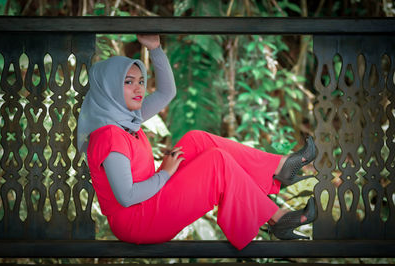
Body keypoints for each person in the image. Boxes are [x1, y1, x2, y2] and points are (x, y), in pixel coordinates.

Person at [77, 35, 317, 251]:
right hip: (137, 221)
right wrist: (166, 174)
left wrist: (156, 49)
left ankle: (280, 167)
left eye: (140, 81)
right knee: (217, 162)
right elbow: (127, 197)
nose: (139, 88)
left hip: (149, 204)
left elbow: (165, 93)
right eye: (128, 82)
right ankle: (277, 218)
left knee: (196, 139)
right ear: (109, 89)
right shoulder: (109, 136)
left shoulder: (127, 119)